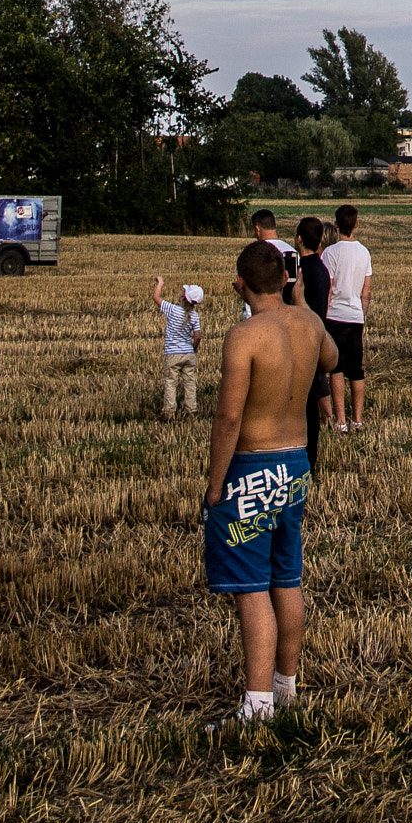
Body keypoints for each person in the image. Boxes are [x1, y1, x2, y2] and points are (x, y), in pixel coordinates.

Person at [203, 238, 338, 727]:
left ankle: (257, 707)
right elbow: (330, 359)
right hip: (296, 463)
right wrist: (302, 305)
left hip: (252, 467)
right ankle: (286, 688)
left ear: (239, 284)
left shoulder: (244, 335)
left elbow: (229, 417)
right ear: (285, 278)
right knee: (287, 577)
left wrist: (216, 486)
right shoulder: (308, 323)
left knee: (252, 589)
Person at [321, 203, 372, 431]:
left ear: (336, 225)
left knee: (337, 368)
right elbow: (366, 291)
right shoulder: (364, 252)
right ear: (356, 225)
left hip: (334, 316)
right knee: (356, 368)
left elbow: (328, 288)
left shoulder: (331, 252)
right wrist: (362, 314)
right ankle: (358, 419)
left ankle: (341, 421)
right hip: (355, 316)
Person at [293, 215, 332, 475]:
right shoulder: (322, 269)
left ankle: (302, 460)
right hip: (317, 338)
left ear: (298, 239)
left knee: (301, 406)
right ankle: (311, 460)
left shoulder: (300, 271)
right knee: (310, 407)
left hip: (299, 341)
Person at [155, 277, 203, 418]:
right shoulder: (194, 316)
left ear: (183, 296)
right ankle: (191, 410)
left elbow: (156, 297)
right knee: (189, 382)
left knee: (171, 382)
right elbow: (198, 336)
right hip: (188, 353)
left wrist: (160, 284)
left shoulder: (173, 310)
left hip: (173, 354)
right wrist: (193, 348)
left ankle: (169, 411)